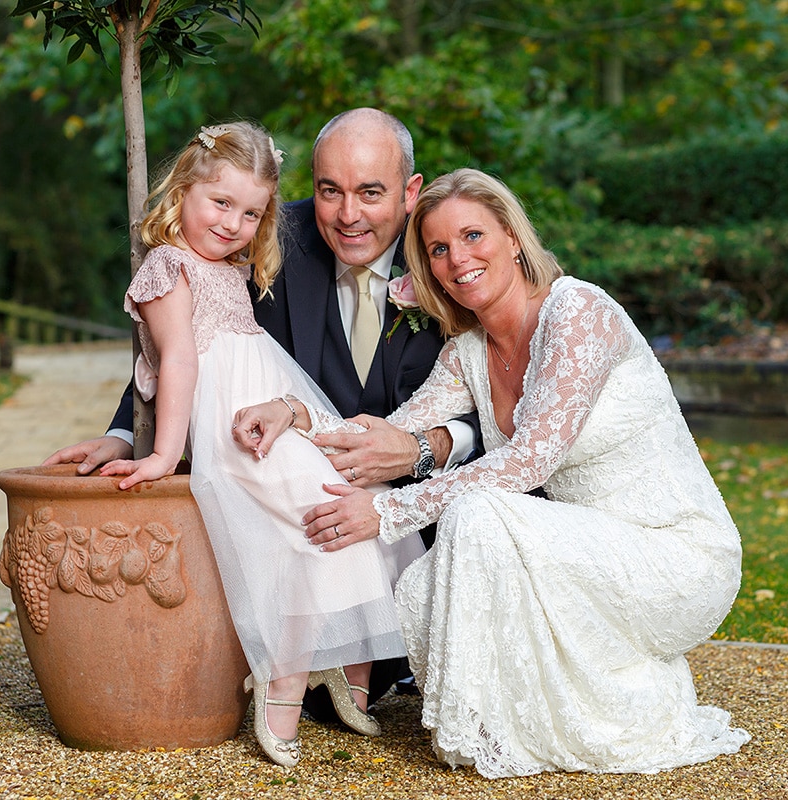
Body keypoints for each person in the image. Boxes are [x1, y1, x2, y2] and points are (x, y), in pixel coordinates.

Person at [234, 168, 751, 778]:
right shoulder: (470, 350)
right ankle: (509, 729)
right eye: (439, 249)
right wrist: (292, 413)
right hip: (579, 551)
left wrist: (387, 512)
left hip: (676, 556)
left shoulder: (577, 311)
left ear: (512, 236)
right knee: (425, 583)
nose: (459, 259)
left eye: (474, 236)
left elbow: (529, 459)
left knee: (477, 516)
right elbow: (390, 428)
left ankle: (485, 729)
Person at [44, 108, 482, 710]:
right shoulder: (266, 236)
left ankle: (409, 649)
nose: (347, 215)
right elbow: (186, 339)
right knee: (319, 695)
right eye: (330, 191)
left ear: (410, 192)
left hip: (414, 510)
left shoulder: (451, 256)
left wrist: (427, 448)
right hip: (287, 502)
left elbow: (507, 398)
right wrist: (126, 431)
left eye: (371, 193)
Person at [95, 120, 424, 768]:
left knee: (354, 500)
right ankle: (286, 673)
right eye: (221, 204)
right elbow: (175, 360)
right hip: (234, 422)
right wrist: (146, 447)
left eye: (251, 213)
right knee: (315, 512)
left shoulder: (439, 252)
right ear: (184, 188)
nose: (234, 223)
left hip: (276, 402)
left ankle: (350, 662)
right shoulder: (175, 263)